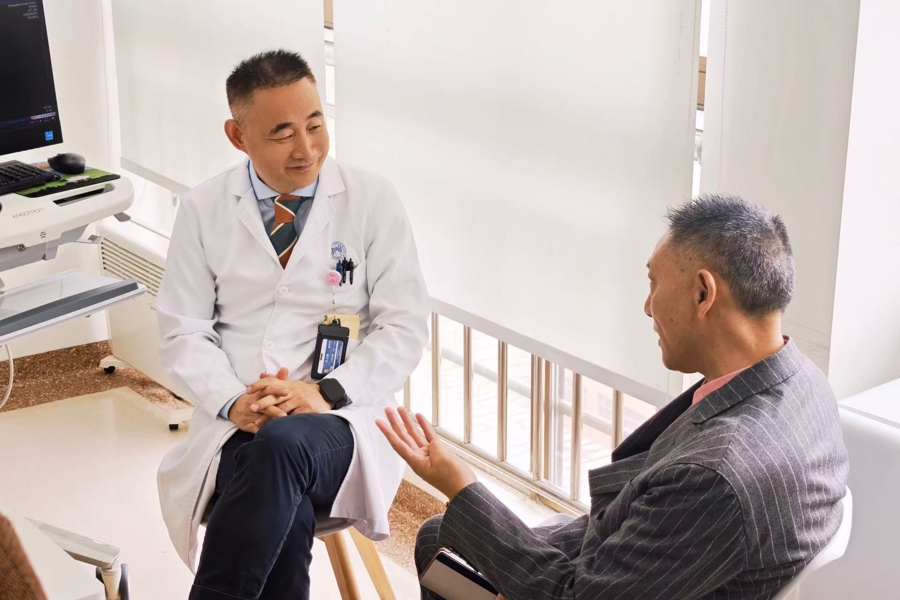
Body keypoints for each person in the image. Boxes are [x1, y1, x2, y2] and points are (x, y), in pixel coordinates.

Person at [380, 195, 849, 599]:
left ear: (703, 293)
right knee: (444, 535)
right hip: (661, 563)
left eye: (654, 283)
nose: (647, 306)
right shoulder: (802, 384)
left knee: (441, 541)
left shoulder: (717, 476)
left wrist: (461, 484)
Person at [155, 49, 429, 600]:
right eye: (282, 133)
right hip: (240, 420)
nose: (306, 148)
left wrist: (324, 392)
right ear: (238, 135)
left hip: (342, 419)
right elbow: (183, 330)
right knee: (282, 493)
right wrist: (235, 401)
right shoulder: (204, 208)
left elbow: (404, 327)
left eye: (315, 124)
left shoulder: (372, 199)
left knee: (279, 451)